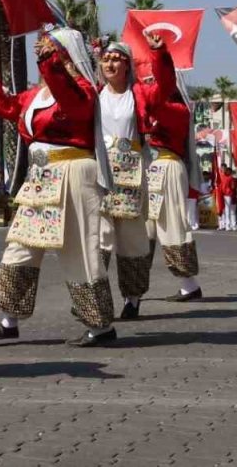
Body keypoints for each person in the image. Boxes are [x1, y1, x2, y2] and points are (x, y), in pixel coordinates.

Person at [0, 27, 117, 347]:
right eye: (44, 51)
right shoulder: (35, 97)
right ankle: (10, 319)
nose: (42, 54)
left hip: (75, 172)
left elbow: (72, 103)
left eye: (50, 50)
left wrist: (50, 64)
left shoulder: (82, 90)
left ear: (65, 55)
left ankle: (100, 324)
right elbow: (1, 104)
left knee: (81, 249)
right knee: (22, 244)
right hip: (41, 180)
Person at [137, 33, 203, 301]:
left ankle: (189, 283)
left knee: (172, 225)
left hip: (167, 167)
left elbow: (156, 99)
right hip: (149, 170)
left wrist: (158, 56)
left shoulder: (177, 110)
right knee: (144, 232)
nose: (150, 85)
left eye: (154, 81)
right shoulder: (153, 106)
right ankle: (136, 289)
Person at [96, 39, 157, 320]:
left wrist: (159, 53)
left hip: (131, 171)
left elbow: (164, 84)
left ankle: (133, 298)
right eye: (106, 58)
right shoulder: (94, 95)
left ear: (127, 64)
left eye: (117, 58)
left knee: (132, 238)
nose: (111, 63)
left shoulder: (138, 95)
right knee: (99, 237)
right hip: (101, 172)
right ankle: (94, 298)